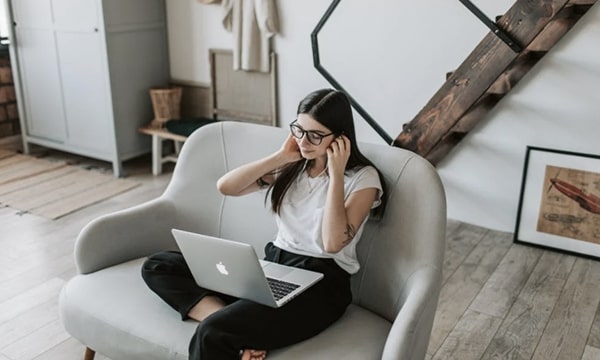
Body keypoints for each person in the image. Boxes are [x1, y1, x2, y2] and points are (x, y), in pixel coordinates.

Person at [141, 88, 387, 359]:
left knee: (212, 333)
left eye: (315, 135)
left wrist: (336, 174)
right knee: (159, 265)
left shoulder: (363, 179)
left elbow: (331, 243)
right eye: (299, 130)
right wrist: (281, 157)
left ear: (340, 138)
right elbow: (226, 187)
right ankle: (230, 323)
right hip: (273, 268)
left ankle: (228, 327)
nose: (304, 141)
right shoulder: (294, 167)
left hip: (321, 286)